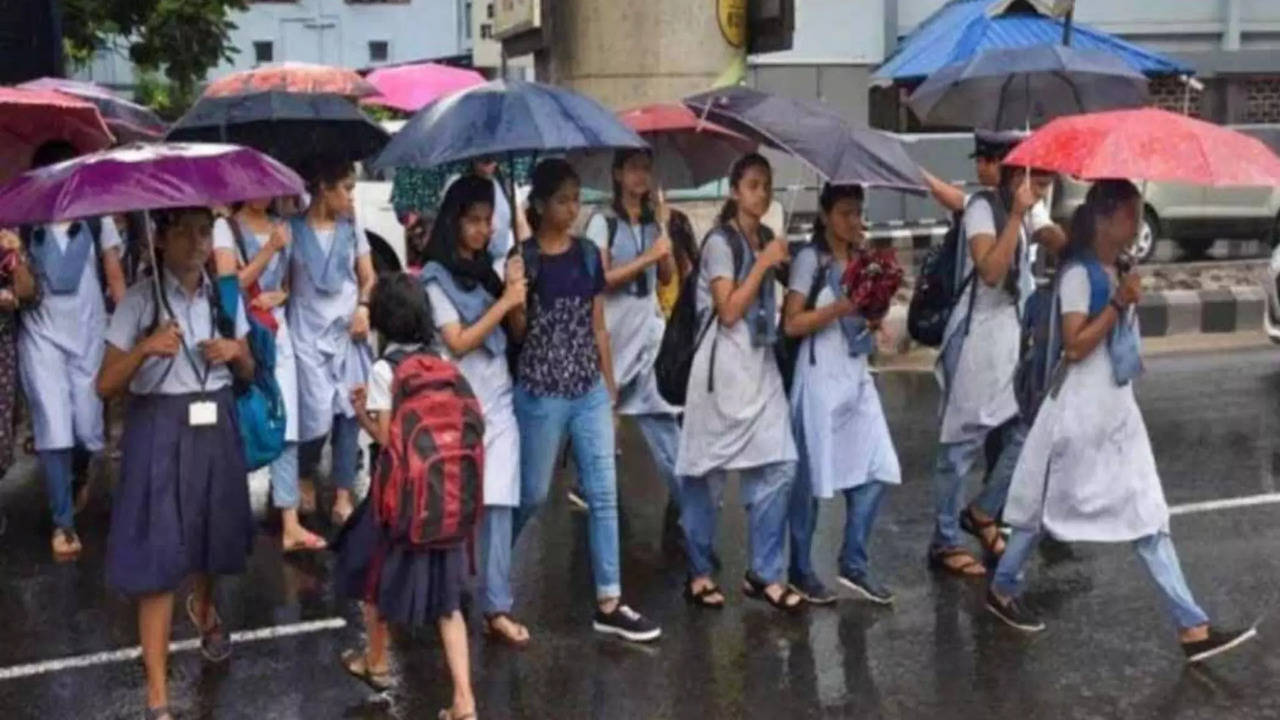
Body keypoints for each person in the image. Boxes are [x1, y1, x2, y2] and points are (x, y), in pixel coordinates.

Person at [987, 179, 1257, 663]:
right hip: (1077, 413)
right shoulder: (1079, 275)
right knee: (1040, 507)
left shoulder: (1118, 267)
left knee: (1147, 514)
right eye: (1131, 215)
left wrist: (1124, 294)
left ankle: (1192, 625)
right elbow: (1073, 346)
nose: (1137, 224)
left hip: (1116, 413)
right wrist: (1117, 303)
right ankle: (1003, 587)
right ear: (1108, 218)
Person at [98, 207, 255, 720]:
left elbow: (251, 367)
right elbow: (104, 384)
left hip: (217, 424)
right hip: (159, 428)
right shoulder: (142, 300)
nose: (196, 241)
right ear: (160, 238)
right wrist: (147, 347)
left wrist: (235, 351)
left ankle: (204, 608)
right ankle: (159, 697)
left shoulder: (224, 296)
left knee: (214, 538)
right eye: (183, 230)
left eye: (204, 231)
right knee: (158, 558)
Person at [509, 158, 661, 642]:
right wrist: (516, 294)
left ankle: (610, 599)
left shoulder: (590, 255)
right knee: (531, 494)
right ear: (539, 205)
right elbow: (518, 333)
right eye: (562, 199)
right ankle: (490, 573)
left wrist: (610, 389)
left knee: (603, 493)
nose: (573, 207)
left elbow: (599, 325)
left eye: (576, 198)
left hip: (588, 389)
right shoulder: (523, 260)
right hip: (540, 390)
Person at [336, 272, 477, 720]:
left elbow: (385, 436)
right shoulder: (443, 366)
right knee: (449, 605)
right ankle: (464, 701)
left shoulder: (385, 370)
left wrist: (361, 413)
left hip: (399, 500)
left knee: (370, 572)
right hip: (447, 501)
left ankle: (375, 659)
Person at [675, 153, 802, 612]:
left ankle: (766, 572)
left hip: (761, 363)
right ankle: (700, 570)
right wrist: (763, 262)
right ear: (734, 191)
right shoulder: (719, 243)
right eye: (752, 185)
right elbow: (728, 310)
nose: (762, 193)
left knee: (781, 463)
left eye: (767, 185)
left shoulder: (768, 236)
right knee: (705, 477)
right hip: (721, 371)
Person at [927, 162, 1063, 578]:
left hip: (1009, 339)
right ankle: (944, 541)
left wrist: (1084, 246)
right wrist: (1018, 215)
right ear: (1015, 177)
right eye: (1037, 183)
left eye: (1046, 185)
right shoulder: (984, 209)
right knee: (960, 445)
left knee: (1026, 430)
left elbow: (1052, 236)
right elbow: (990, 272)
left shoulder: (1026, 206)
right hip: (974, 342)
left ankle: (983, 512)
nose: (1041, 192)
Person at [419, 176, 530, 646]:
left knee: (501, 499)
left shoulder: (491, 272)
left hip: (499, 396)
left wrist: (516, 292)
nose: (484, 230)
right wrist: (504, 302)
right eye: (475, 221)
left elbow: (517, 332)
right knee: (459, 505)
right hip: (456, 403)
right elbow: (458, 341)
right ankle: (445, 593)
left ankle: (497, 605)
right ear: (454, 221)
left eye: (489, 221)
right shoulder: (434, 277)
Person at [783, 184, 901, 606]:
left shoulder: (863, 261)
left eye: (858, 212)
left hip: (855, 374)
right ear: (826, 214)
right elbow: (792, 324)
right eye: (846, 212)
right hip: (818, 379)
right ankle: (800, 569)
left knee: (879, 467)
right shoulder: (809, 262)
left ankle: (853, 560)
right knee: (812, 482)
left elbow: (864, 311)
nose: (854, 220)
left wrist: (873, 319)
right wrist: (839, 308)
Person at [18, 140, 128, 560]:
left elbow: (114, 275)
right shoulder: (24, 222)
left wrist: (126, 330)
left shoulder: (98, 218)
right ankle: (62, 523)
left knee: (86, 428)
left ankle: (79, 474)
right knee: (53, 424)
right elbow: (19, 283)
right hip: (41, 335)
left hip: (88, 334)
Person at [212, 199, 326, 552]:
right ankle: (229, 514)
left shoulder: (283, 224)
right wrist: (269, 249)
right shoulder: (225, 228)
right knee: (243, 418)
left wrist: (282, 294)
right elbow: (229, 282)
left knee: (285, 421)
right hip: (244, 336)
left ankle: (290, 521)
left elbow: (289, 281)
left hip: (277, 330)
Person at [583, 148, 682, 530]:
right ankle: (596, 491)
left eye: (647, 169)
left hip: (647, 325)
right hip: (612, 324)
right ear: (619, 174)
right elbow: (601, 278)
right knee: (603, 410)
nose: (642, 177)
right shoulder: (602, 223)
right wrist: (647, 257)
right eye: (635, 169)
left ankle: (684, 495)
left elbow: (668, 277)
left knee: (661, 410)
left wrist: (665, 232)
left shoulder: (653, 223)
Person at [288, 161, 376, 526]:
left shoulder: (353, 229)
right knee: (315, 414)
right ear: (323, 188)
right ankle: (305, 472)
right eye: (346, 188)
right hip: (307, 334)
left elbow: (368, 277)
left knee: (349, 410)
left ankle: (342, 491)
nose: (351, 197)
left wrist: (363, 307)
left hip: (347, 332)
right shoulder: (291, 230)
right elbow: (284, 283)